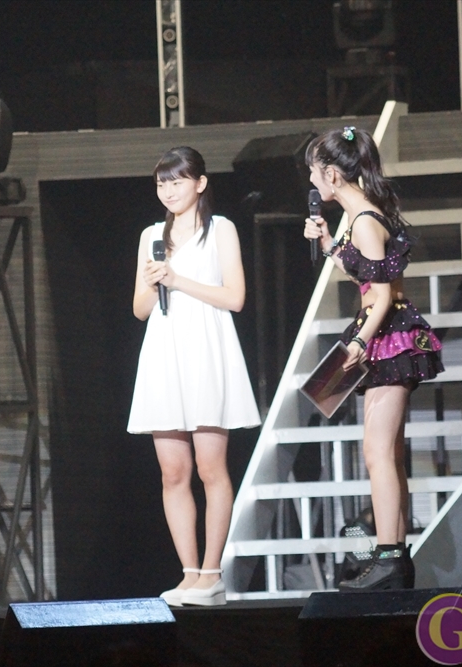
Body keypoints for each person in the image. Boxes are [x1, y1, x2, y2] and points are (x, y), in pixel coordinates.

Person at [303, 126, 444, 590]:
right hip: (385, 332)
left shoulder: (363, 219)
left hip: (386, 336)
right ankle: (395, 559)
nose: (312, 181)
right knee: (390, 454)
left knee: (378, 453)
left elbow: (381, 297)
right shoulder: (361, 214)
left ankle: (388, 559)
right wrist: (329, 245)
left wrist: (360, 343)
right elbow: (368, 275)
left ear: (331, 174)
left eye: (314, 172)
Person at [128, 146, 261, 606]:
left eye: (177, 181)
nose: (168, 191)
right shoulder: (151, 236)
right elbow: (140, 309)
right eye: (161, 183)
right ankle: (188, 574)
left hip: (207, 349)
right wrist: (154, 282)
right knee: (173, 472)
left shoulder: (220, 228)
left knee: (210, 467)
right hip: (164, 353)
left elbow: (235, 297)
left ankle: (212, 572)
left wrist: (178, 280)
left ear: (200, 184)